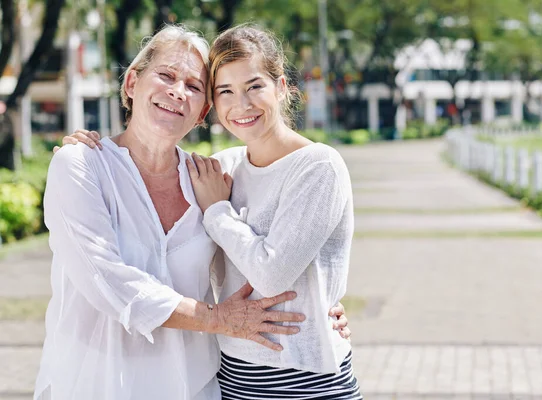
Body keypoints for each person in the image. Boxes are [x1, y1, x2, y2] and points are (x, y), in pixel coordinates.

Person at [38, 25, 349, 400]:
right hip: (100, 384)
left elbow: (273, 262)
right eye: (166, 76)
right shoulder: (86, 167)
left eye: (194, 85)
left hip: (202, 386)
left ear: (203, 111)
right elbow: (107, 280)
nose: (176, 91)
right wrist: (216, 319)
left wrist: (321, 300)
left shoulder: (210, 177)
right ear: (132, 83)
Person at [187, 25, 362, 399]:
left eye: (254, 86)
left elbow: (271, 276)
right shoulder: (222, 167)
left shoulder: (318, 166)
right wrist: (87, 154)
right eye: (225, 92)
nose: (242, 104)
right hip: (232, 376)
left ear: (281, 87)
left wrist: (217, 211)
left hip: (307, 380)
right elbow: (148, 178)